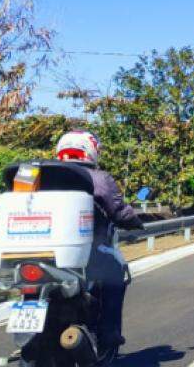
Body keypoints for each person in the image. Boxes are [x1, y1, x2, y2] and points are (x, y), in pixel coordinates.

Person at [54, 131, 143, 364]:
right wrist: (135, 221)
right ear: (91, 150)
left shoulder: (44, 176)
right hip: (88, 252)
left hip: (44, 253)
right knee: (116, 274)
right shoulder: (97, 177)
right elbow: (119, 211)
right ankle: (109, 335)